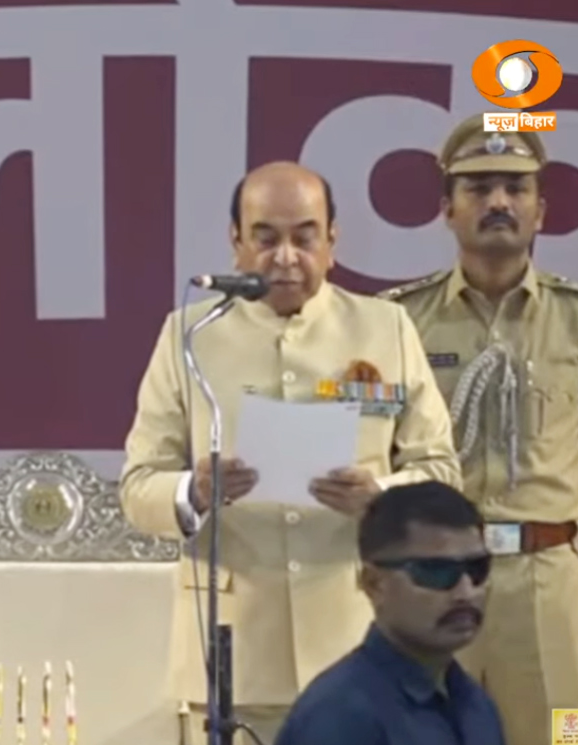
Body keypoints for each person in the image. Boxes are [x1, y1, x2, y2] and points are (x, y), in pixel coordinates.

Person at [119, 161, 462, 744]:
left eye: (304, 237)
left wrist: (381, 498)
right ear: (235, 241)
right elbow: (137, 486)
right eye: (265, 237)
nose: (285, 258)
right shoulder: (188, 336)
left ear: (332, 242)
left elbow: (442, 473)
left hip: (364, 644)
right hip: (235, 656)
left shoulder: (386, 328)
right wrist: (192, 491)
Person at [378, 115, 578, 745]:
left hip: (546, 591)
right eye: (479, 187)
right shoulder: (398, 322)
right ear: (447, 209)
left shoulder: (573, 320)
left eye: (515, 188)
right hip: (430, 584)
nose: (498, 202)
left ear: (541, 210)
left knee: (564, 736)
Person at [273, 480, 505, 745]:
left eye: (477, 569)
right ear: (374, 584)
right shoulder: (340, 716)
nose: (465, 592)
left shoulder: (475, 703)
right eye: (436, 572)